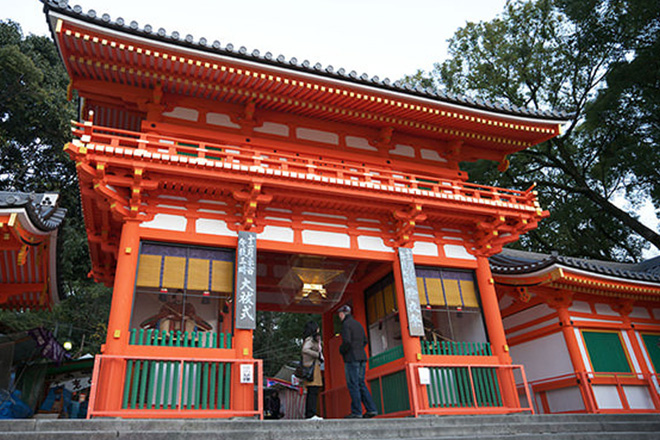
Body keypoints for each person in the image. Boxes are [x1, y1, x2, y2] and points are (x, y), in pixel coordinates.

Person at [337, 304, 378, 419]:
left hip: (351, 358)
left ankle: (357, 411)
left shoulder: (346, 324)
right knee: (361, 383)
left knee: (353, 384)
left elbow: (347, 342)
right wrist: (358, 348)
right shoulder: (358, 324)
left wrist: (341, 350)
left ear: (342, 314)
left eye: (339, 314)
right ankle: (371, 409)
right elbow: (365, 340)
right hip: (362, 357)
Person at [301, 320, 324, 420]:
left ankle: (310, 413)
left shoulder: (310, 339)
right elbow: (305, 349)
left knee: (312, 391)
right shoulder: (310, 339)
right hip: (312, 367)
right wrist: (317, 355)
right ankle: (311, 414)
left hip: (312, 366)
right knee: (313, 391)